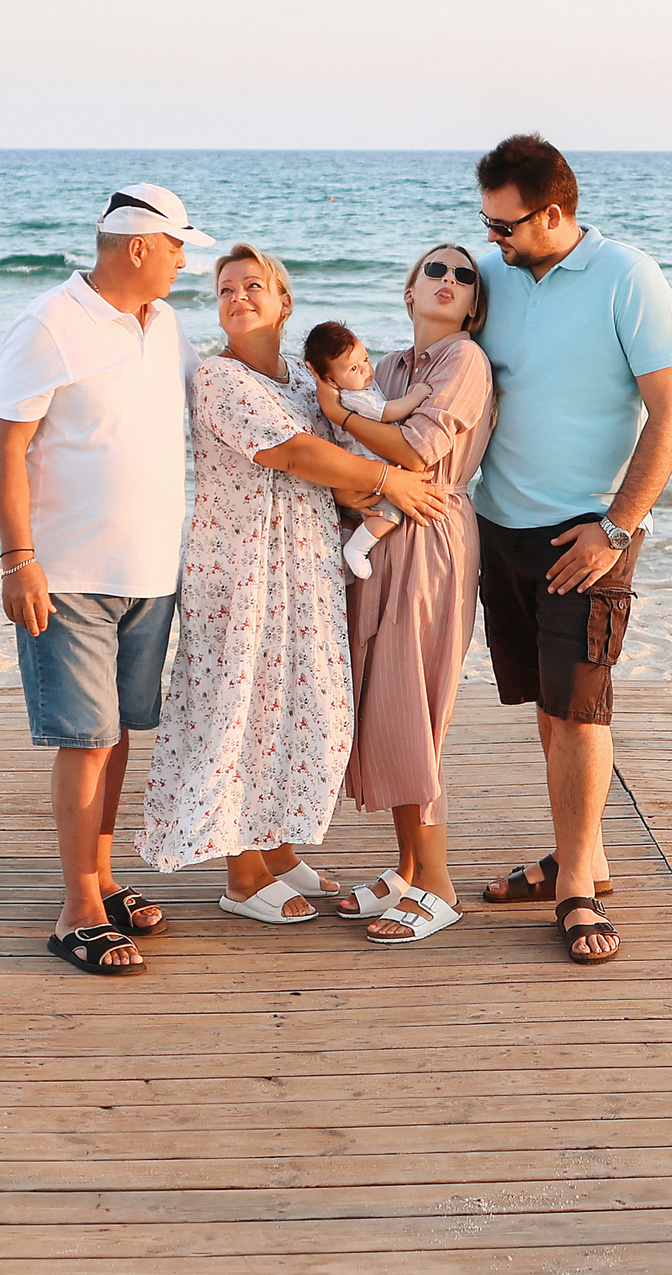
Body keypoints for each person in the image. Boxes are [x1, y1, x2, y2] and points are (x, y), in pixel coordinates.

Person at [137, 244, 452, 923]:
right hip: (243, 568)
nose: (239, 296)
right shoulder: (218, 379)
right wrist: (389, 482)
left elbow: (349, 434)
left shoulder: (306, 383)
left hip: (305, 563)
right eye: (226, 288)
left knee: (292, 705)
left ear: (285, 302)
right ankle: (243, 874)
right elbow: (297, 453)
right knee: (239, 709)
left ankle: (274, 847)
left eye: (254, 285)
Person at [471, 136, 672, 964]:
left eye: (505, 224)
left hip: (589, 533)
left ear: (553, 212)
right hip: (500, 526)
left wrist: (617, 526)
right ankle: (580, 856)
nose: (491, 239)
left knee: (582, 704)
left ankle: (574, 892)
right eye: (487, 223)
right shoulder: (491, 277)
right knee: (546, 698)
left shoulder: (628, 277)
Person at [0, 183, 207, 977]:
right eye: (179, 245)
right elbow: (6, 447)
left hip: (151, 572)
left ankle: (104, 879)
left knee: (115, 737)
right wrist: (20, 558)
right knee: (85, 740)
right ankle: (77, 908)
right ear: (140, 245)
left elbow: (210, 402)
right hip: (69, 574)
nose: (186, 259)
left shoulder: (167, 323)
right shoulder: (51, 321)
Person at [318, 245, 495, 945]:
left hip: (432, 532)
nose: (449, 280)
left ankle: (439, 884)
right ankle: (407, 867)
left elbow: (417, 452)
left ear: (474, 303)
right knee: (384, 699)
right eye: (436, 270)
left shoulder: (465, 361)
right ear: (408, 287)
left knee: (416, 706)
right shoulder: (386, 368)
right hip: (378, 532)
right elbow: (343, 453)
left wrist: (347, 420)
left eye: (463, 275)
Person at [301, 319, 431, 580]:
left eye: (365, 359)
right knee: (390, 514)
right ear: (330, 380)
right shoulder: (355, 398)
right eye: (353, 368)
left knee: (350, 519)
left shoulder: (355, 390)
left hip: (355, 478)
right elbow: (387, 413)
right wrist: (417, 395)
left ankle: (343, 561)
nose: (365, 370)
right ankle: (357, 550)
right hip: (370, 477)